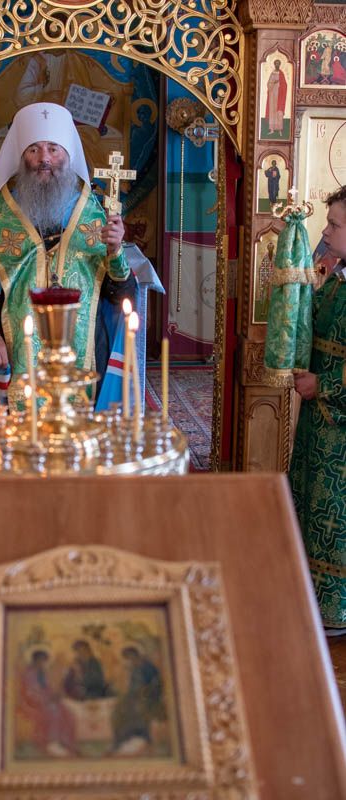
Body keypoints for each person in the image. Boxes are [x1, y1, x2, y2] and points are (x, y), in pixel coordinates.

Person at [0, 102, 136, 413]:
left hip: (84, 352)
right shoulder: (1, 218)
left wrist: (115, 251)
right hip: (19, 355)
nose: (44, 158)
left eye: (53, 149)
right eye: (34, 150)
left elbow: (121, 294)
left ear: (67, 155)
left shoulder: (92, 214)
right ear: (22, 158)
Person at [289, 185, 346, 636]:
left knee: (334, 518)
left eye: (334, 225)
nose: (325, 232)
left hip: (340, 433)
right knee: (309, 507)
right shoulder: (337, 277)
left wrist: (321, 385)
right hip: (319, 425)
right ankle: (309, 599)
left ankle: (336, 611)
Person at [17, 649, 77, 758]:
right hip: (32, 703)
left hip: (46, 700)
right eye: (42, 661)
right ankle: (52, 743)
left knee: (67, 712)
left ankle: (65, 742)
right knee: (54, 711)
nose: (44, 664)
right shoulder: (29, 673)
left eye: (45, 661)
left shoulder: (41, 673)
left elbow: (47, 688)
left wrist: (55, 695)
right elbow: (30, 693)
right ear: (36, 660)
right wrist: (47, 699)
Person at [111, 645, 166, 755]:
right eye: (127, 659)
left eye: (129, 658)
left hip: (148, 698)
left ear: (135, 656)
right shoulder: (134, 669)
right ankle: (121, 741)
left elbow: (157, 684)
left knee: (134, 710)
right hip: (134, 697)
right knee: (118, 711)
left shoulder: (148, 667)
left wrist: (145, 692)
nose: (128, 661)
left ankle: (141, 737)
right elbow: (132, 687)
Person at [265, 59, 287, 136]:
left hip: (279, 95)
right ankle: (272, 129)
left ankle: (280, 129)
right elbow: (268, 83)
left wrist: (280, 84)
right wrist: (273, 83)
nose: (277, 65)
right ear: (274, 65)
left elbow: (285, 84)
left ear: (279, 65)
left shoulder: (281, 74)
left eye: (278, 64)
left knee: (279, 112)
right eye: (276, 64)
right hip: (272, 95)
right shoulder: (272, 73)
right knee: (272, 111)